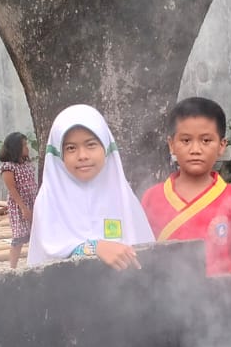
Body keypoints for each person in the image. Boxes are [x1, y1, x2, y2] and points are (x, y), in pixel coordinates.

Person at [140, 97, 231, 294]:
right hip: (166, 303)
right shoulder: (152, 198)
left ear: (222, 145)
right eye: (186, 140)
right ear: (171, 145)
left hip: (224, 308)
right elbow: (137, 253)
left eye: (206, 140)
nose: (195, 149)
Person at [27, 105, 154, 269]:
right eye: (71, 148)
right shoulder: (49, 200)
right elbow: (51, 251)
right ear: (59, 154)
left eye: (91, 144)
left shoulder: (123, 196)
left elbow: (145, 253)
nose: (83, 156)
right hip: (68, 291)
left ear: (106, 147)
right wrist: (96, 247)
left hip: (122, 291)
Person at [0, 131, 39, 269]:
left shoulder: (27, 163)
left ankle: (36, 262)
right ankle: (13, 267)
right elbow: (12, 189)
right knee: (19, 237)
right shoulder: (8, 167)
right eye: (24, 146)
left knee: (37, 232)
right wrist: (23, 208)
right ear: (15, 149)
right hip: (19, 204)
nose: (27, 148)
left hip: (33, 201)